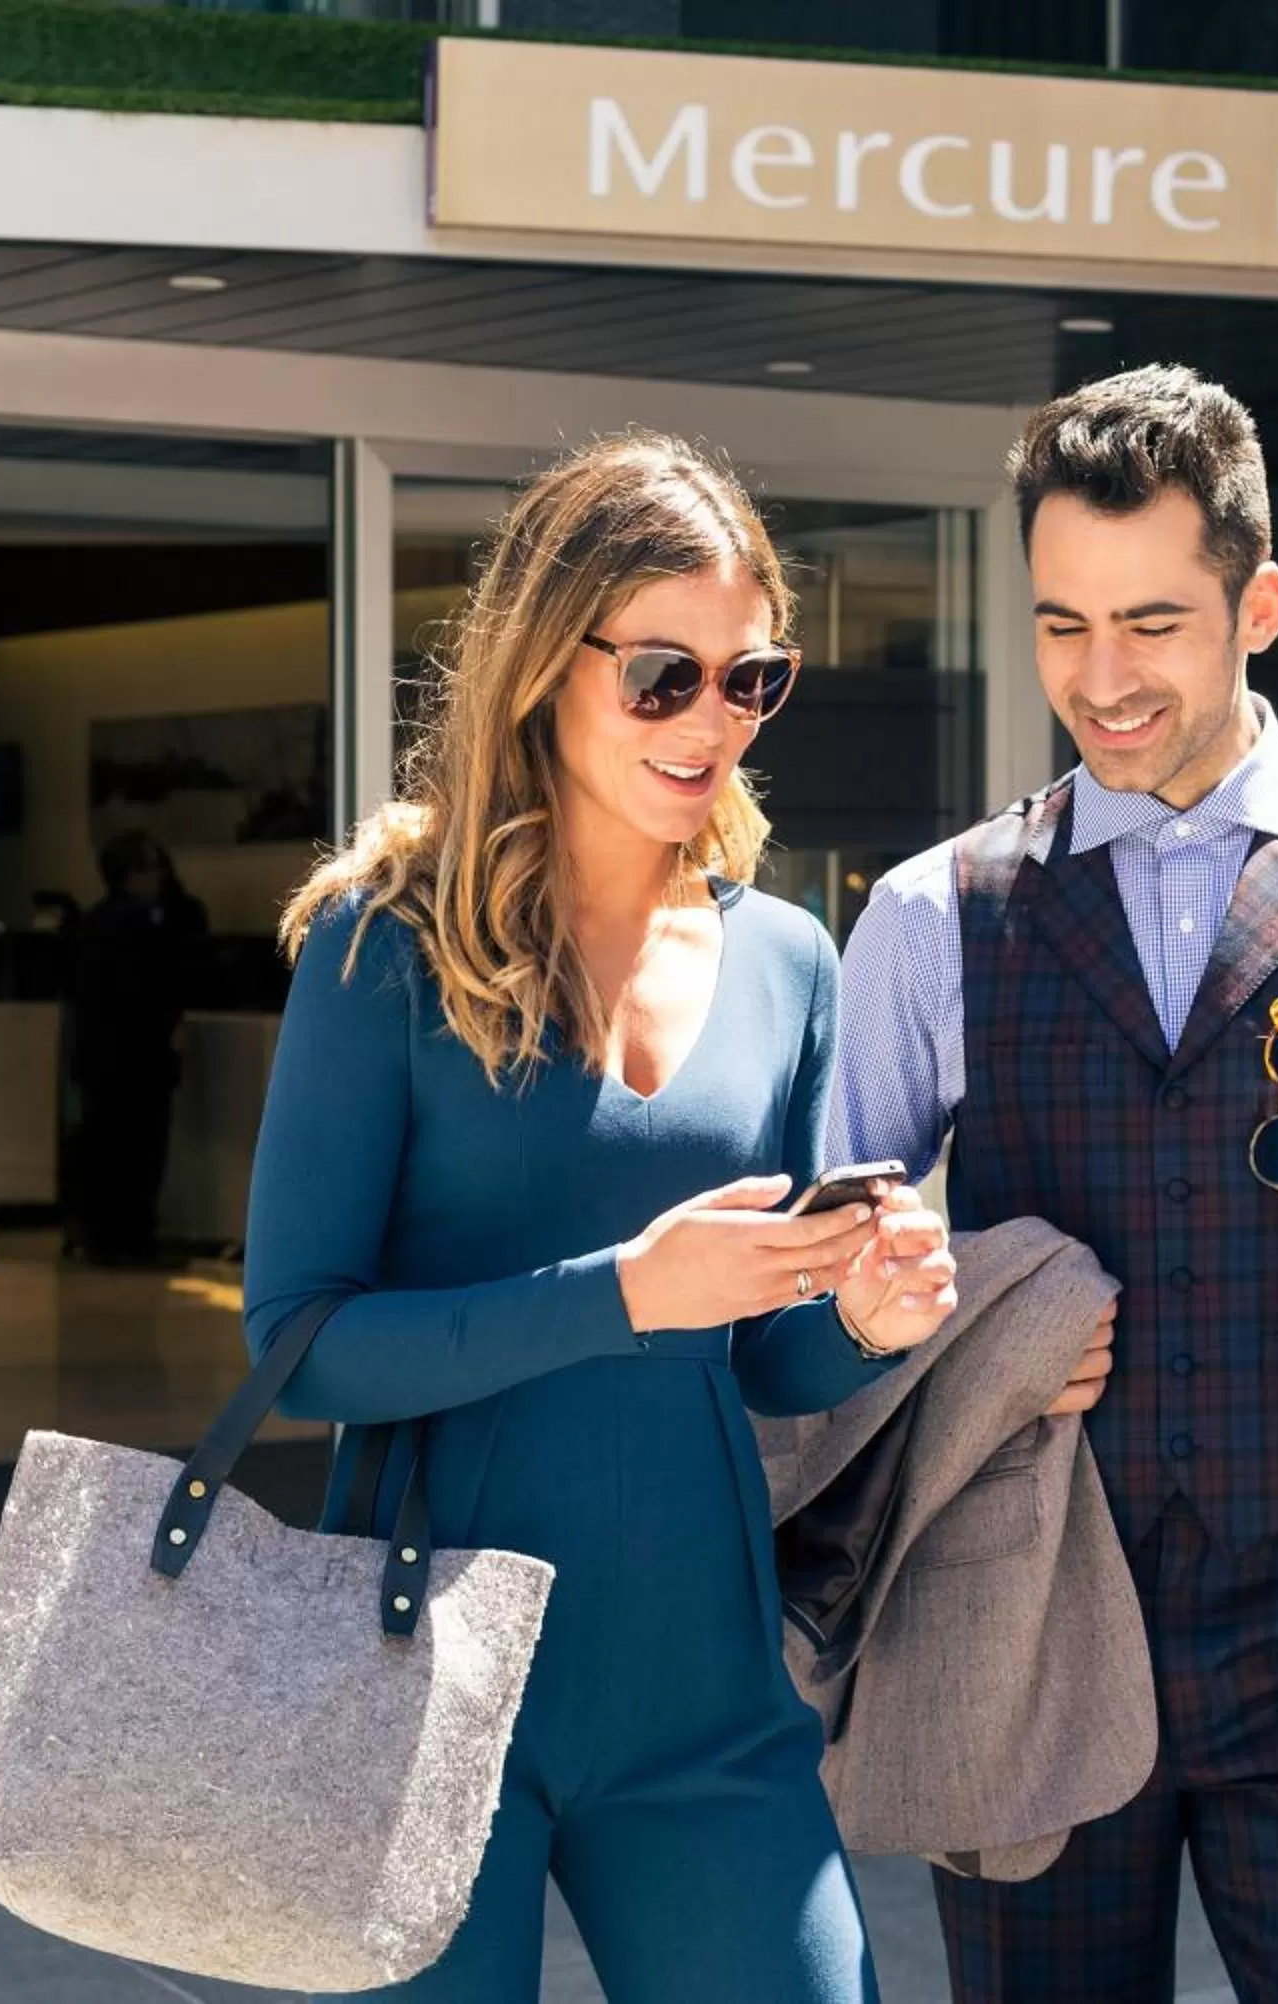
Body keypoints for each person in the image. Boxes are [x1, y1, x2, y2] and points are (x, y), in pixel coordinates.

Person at [831, 365, 1278, 2004]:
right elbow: (837, 1269)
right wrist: (929, 1322)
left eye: (1151, 622)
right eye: (1062, 622)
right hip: (1025, 1614)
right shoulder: (930, 912)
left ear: (1258, 603)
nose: (1101, 678)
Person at [240, 434, 958, 2004]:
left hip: (702, 1695)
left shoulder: (789, 963)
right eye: (661, 676)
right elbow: (297, 1348)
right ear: (540, 669)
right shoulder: (388, 951)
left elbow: (759, 1363)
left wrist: (856, 1323)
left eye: (748, 679)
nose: (709, 720)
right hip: (421, 1686)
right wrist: (622, 1291)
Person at [67, 829, 207, 1267]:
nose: (161, 876)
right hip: (136, 1062)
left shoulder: (93, 923)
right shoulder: (142, 927)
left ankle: (103, 1235)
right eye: (152, 867)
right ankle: (131, 1239)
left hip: (101, 1061)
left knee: (105, 1148)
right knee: (139, 1153)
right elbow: (151, 992)